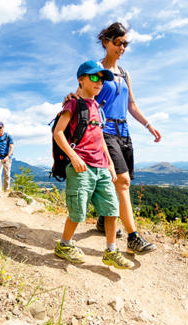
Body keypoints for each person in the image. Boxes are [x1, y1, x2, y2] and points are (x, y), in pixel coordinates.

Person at [66, 22, 162, 255]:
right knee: (123, 182)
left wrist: (149, 125)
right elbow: (83, 95)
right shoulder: (97, 70)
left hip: (124, 132)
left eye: (125, 44)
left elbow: (131, 105)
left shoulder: (124, 73)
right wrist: (69, 99)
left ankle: (102, 220)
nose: (122, 47)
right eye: (118, 42)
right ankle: (133, 237)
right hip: (103, 131)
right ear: (106, 42)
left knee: (115, 181)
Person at [53, 60, 134, 269]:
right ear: (81, 80)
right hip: (81, 165)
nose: (100, 82)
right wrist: (74, 157)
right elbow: (58, 133)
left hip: (101, 166)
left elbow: (99, 136)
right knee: (78, 210)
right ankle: (64, 245)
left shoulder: (98, 107)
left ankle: (111, 251)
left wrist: (109, 164)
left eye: (103, 79)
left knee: (111, 208)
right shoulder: (73, 104)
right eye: (95, 77)